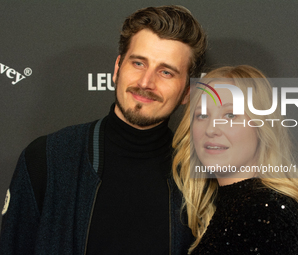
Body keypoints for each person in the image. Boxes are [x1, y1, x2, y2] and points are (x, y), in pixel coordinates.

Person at [0, 5, 207, 255]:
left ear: (187, 92)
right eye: (139, 63)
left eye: (166, 72)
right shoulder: (47, 159)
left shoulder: (201, 179)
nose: (146, 83)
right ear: (117, 69)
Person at [172, 65, 298, 254]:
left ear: (261, 126)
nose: (211, 129)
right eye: (202, 115)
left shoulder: (267, 214)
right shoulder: (236, 206)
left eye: (230, 115)